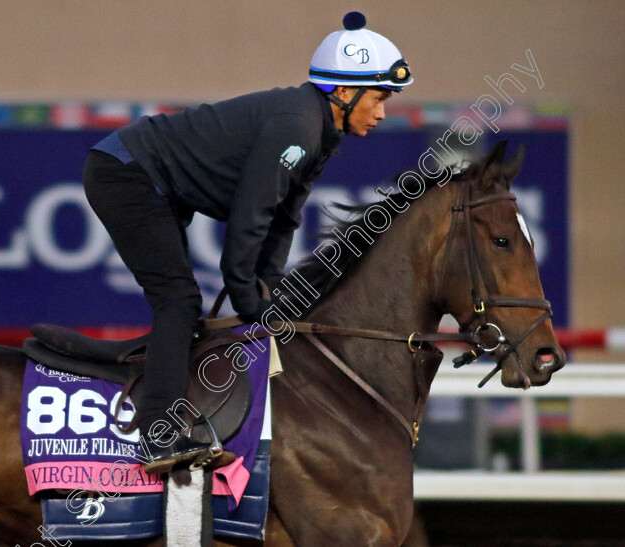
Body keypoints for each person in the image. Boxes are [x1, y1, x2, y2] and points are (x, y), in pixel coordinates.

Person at [82, 11, 413, 474]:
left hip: (153, 177)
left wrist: (273, 292)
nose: (381, 112)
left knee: (186, 310)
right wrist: (248, 298)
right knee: (177, 302)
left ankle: (178, 413)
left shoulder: (320, 133)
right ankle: (156, 436)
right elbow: (249, 219)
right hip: (125, 173)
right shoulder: (298, 127)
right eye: (378, 98)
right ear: (343, 91)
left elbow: (283, 219)